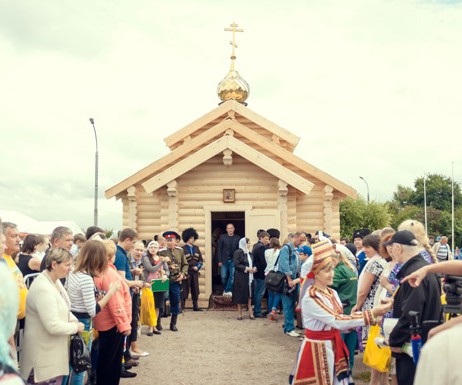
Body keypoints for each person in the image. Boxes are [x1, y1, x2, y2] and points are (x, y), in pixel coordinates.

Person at [289, 239, 393, 385]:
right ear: (314, 274)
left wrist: (375, 317)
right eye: (327, 271)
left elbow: (342, 319)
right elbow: (336, 320)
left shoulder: (332, 292)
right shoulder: (311, 296)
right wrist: (372, 313)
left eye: (333, 269)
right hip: (316, 349)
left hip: (332, 347)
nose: (332, 274)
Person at [383, 231, 442, 385]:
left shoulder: (414, 273)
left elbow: (411, 312)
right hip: (424, 342)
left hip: (412, 347)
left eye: (391, 249)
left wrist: (395, 341)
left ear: (398, 248)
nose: (391, 253)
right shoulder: (424, 268)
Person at [20, 248, 85, 384]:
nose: (70, 268)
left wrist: (73, 320)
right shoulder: (44, 288)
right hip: (43, 358)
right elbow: (53, 326)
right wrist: (75, 326)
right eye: (67, 265)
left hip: (50, 355)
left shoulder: (53, 282)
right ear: (54, 265)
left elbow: (64, 308)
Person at [66, 240, 122, 385]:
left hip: (73, 318)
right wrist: (110, 293)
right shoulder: (85, 279)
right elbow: (92, 310)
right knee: (80, 366)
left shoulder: (73, 273)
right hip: (83, 322)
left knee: (72, 365)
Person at [93, 240, 133, 385]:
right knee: (111, 365)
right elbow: (116, 303)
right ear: (110, 257)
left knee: (105, 363)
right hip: (112, 325)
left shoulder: (101, 271)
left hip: (104, 323)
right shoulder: (110, 274)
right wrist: (124, 326)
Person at [352, 234, 387, 341]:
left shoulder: (374, 264)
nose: (364, 250)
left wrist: (357, 305)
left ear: (376, 248)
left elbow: (364, 290)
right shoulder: (381, 261)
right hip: (375, 302)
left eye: (367, 247)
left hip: (370, 303)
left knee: (369, 338)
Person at [331, 244, 358, 376]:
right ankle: (349, 371)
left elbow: (328, 287)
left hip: (341, 310)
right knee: (350, 345)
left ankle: (339, 374)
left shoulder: (338, 271)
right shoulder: (349, 268)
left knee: (339, 346)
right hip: (352, 310)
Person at [158, 231, 188, 332]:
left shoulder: (180, 251)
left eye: (171, 240)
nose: (170, 242)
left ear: (176, 241)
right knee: (160, 301)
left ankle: (173, 323)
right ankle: (158, 322)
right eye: (168, 240)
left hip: (175, 280)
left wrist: (183, 274)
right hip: (163, 280)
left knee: (175, 300)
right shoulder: (161, 252)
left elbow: (185, 264)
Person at [143, 241, 169, 334]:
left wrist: (165, 275)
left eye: (155, 247)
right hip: (149, 284)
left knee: (157, 306)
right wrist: (162, 262)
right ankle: (150, 327)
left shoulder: (161, 258)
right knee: (151, 306)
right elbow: (151, 269)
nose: (153, 249)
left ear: (158, 249)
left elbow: (167, 270)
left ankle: (154, 326)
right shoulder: (146, 258)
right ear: (148, 248)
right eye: (151, 247)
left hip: (159, 284)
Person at [278, 232, 302, 337]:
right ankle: (289, 328)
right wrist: (289, 279)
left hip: (294, 279)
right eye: (301, 240)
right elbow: (284, 264)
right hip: (288, 281)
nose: (302, 242)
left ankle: (290, 326)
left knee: (292, 304)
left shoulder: (295, 250)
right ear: (295, 238)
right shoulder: (286, 248)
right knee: (287, 305)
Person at [232, 238, 256, 320]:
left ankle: (250, 312)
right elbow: (236, 264)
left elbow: (253, 263)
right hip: (240, 277)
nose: (249, 244)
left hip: (249, 276)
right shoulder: (238, 252)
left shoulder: (249, 253)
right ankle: (239, 313)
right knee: (240, 294)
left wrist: (254, 268)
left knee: (250, 294)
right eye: (248, 243)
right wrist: (246, 268)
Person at [181, 228, 204, 311]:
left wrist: (197, 267)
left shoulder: (197, 248)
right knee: (185, 289)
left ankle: (195, 306)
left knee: (195, 289)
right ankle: (182, 307)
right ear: (187, 238)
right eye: (191, 238)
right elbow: (181, 261)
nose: (192, 239)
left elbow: (201, 260)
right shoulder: (182, 249)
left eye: (193, 238)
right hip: (187, 272)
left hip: (195, 272)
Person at [217, 223, 240, 296]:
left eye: (231, 228)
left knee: (232, 276)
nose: (230, 229)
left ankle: (228, 290)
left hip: (233, 260)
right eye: (228, 228)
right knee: (223, 276)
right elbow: (219, 249)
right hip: (224, 260)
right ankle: (226, 289)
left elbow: (238, 250)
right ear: (226, 229)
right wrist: (219, 260)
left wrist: (237, 260)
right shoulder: (222, 237)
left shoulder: (237, 238)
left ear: (234, 229)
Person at [252, 230, 270, 318]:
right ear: (261, 238)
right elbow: (263, 261)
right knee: (259, 293)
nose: (268, 241)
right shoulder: (261, 247)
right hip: (261, 273)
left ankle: (256, 310)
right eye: (266, 239)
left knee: (257, 293)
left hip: (256, 273)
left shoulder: (255, 246)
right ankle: (257, 312)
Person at [265, 237, 282, 321]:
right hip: (276, 273)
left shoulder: (266, 252)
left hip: (268, 273)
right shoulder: (280, 252)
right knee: (278, 292)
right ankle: (273, 310)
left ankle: (269, 312)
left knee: (270, 294)